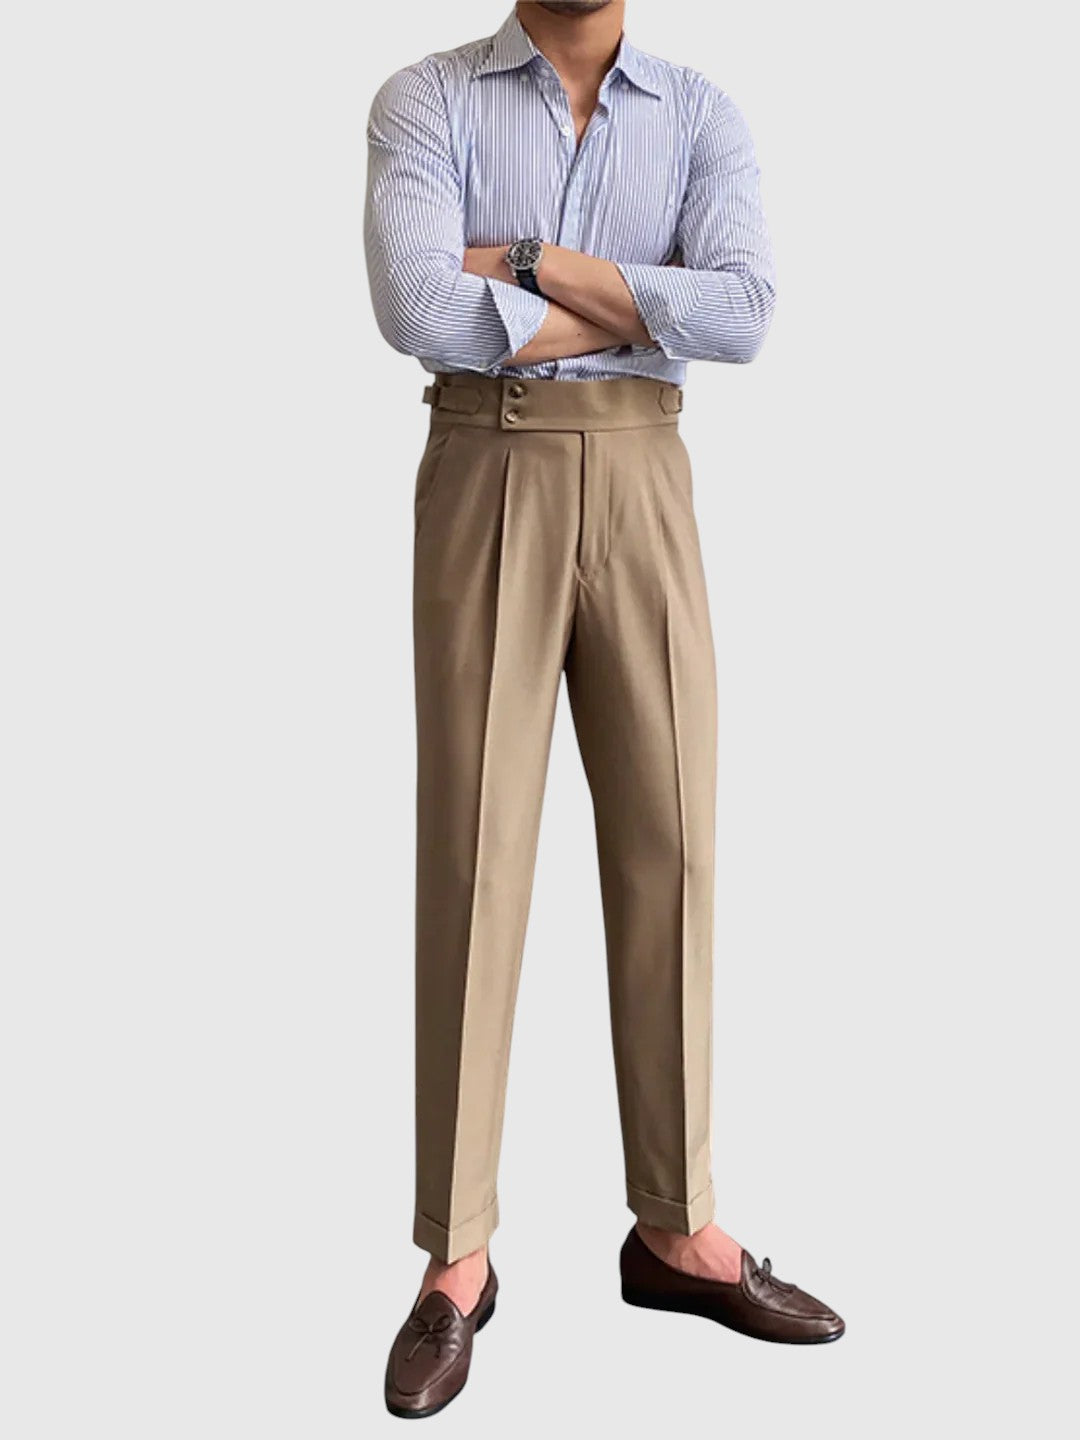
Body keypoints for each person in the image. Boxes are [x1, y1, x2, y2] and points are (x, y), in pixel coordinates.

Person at [364, 2, 843, 1418]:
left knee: (672, 844)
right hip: (487, 468)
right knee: (474, 857)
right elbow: (413, 308)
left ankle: (677, 1230)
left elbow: (745, 313)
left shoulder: (699, 112)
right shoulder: (426, 98)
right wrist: (642, 298)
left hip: (644, 476)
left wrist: (520, 262)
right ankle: (457, 1256)